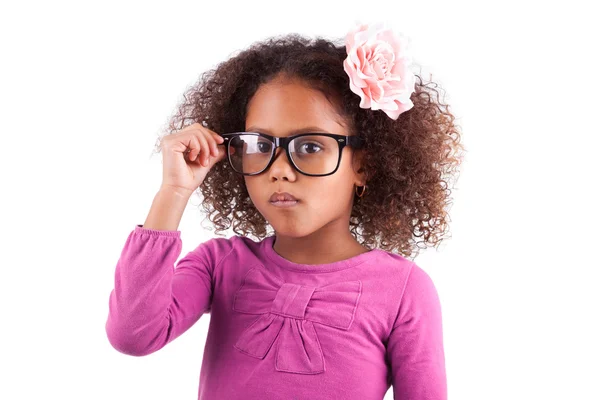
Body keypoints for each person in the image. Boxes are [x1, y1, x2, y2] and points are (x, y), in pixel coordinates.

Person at [105, 21, 464, 400]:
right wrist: (174, 191)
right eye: (260, 145)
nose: (278, 169)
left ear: (364, 165)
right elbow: (133, 334)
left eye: (309, 147)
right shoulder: (219, 265)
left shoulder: (404, 290)